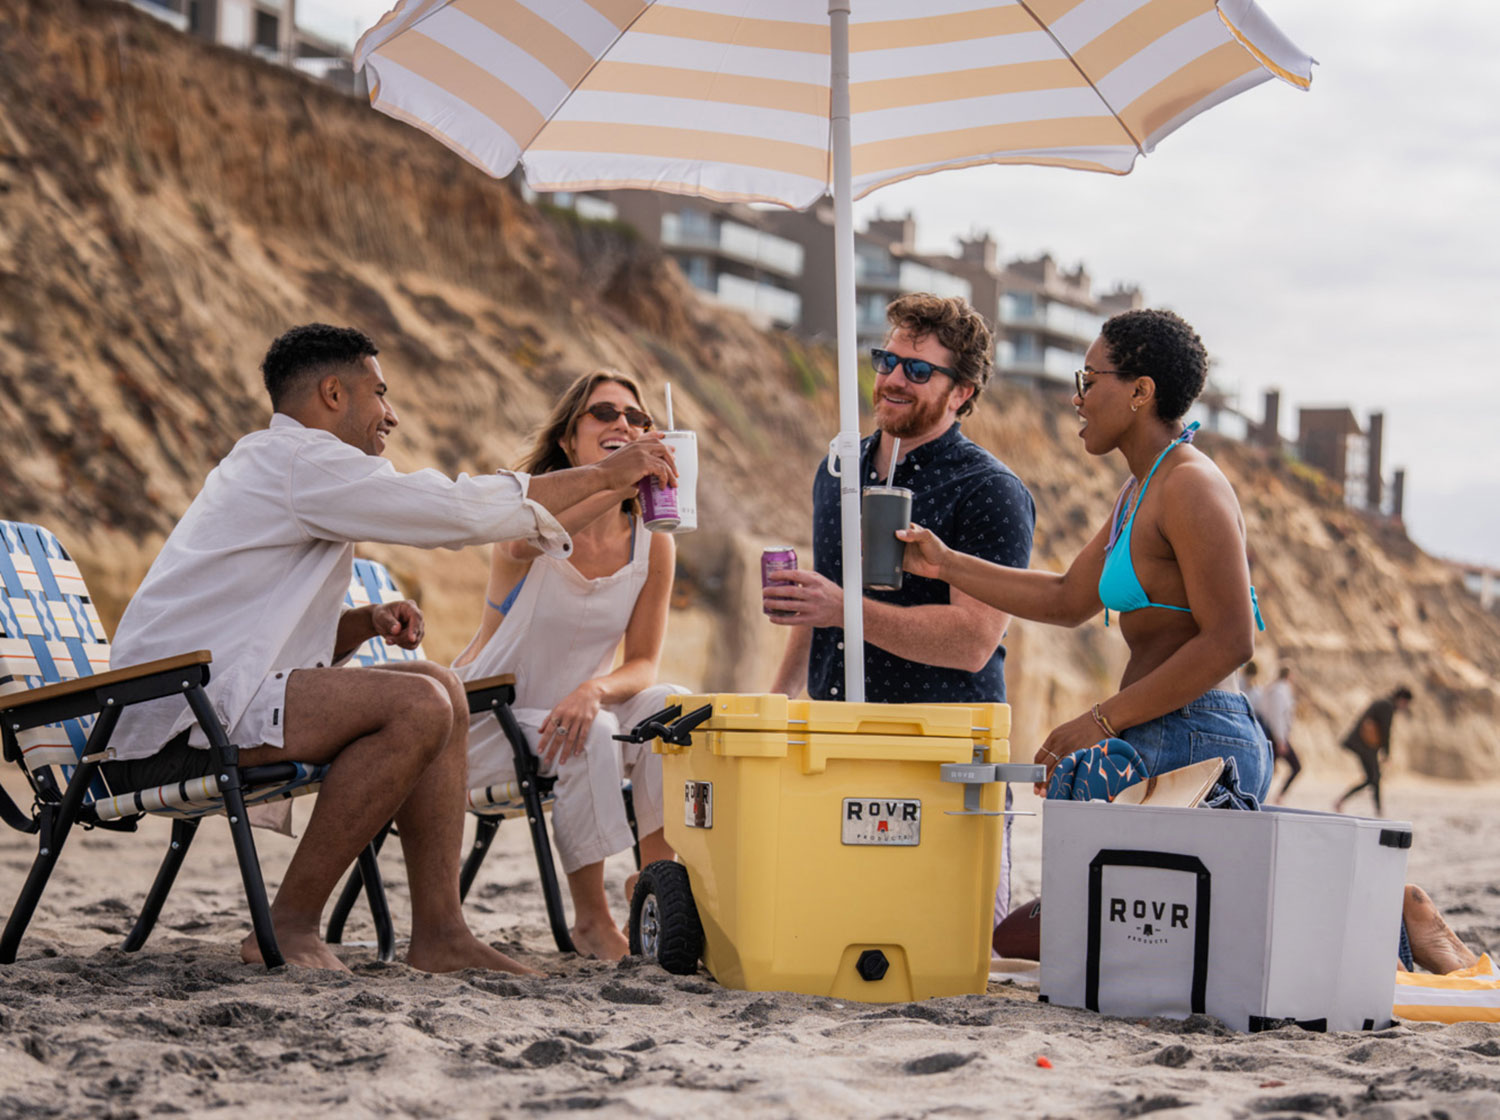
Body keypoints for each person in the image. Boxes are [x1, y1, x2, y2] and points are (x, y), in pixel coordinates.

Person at [105, 324, 676, 973]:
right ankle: (290, 923)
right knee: (419, 701)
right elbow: (451, 510)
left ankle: (440, 934)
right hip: (170, 714)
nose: (392, 415)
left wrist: (363, 622)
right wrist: (604, 475)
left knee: (439, 685)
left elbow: (256, 629)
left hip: (207, 692)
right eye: (379, 394)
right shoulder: (300, 463)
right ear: (331, 393)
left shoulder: (291, 470)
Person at [897, 307, 1271, 800]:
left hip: (1199, 733)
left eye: (1090, 381)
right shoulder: (1140, 489)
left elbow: (1231, 639)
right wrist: (944, 563)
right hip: (1163, 727)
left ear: (1141, 391)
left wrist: (1100, 720)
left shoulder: (1189, 484)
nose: (1077, 397)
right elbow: (1067, 598)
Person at [763, 293, 1035, 918]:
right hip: (835, 741)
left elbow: (972, 642)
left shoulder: (990, 490)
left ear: (962, 392)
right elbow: (820, 608)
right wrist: (778, 708)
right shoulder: (838, 469)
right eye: (887, 359)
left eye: (918, 370)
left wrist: (843, 611)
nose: (891, 379)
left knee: (955, 948)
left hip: (941, 752)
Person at [454, 370, 686, 961]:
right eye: (604, 414)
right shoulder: (528, 516)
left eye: (636, 419)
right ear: (569, 439)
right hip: (487, 721)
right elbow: (517, 545)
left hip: (578, 711)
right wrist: (616, 481)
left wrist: (594, 687)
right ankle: (591, 919)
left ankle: (653, 884)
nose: (623, 426)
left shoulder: (653, 540)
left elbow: (642, 664)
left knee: (671, 707)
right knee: (594, 733)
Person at [1335, 686, 1413, 816]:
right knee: (1374, 778)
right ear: (1402, 699)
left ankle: (1345, 802)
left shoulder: (1384, 703)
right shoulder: (1387, 707)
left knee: (1373, 778)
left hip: (1364, 745)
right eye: (1406, 703)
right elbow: (1385, 731)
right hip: (1364, 746)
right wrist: (1386, 752)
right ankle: (1376, 810)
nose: (1404, 707)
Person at [1261, 663, 1302, 799]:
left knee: (1270, 769)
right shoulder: (1278, 691)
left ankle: (1267, 794)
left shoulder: (1279, 689)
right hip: (1276, 736)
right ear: (1289, 675)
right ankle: (1278, 795)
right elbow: (1277, 716)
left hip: (1276, 735)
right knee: (1295, 766)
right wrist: (1280, 740)